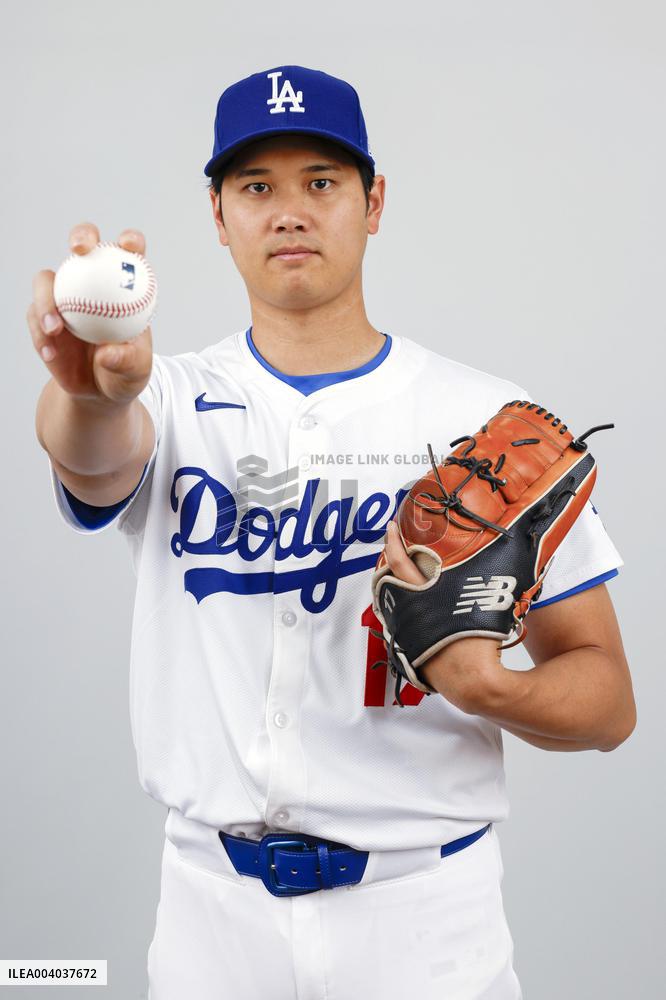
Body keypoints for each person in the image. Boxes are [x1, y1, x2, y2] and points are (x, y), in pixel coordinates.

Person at [29, 65, 636, 999]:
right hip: (210, 924)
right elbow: (92, 455)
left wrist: (488, 685)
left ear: (373, 200)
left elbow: (608, 701)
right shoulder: (167, 399)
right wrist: (84, 390)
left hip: (426, 922)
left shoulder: (486, 420)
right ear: (218, 215)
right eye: (256, 187)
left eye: (321, 181)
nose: (289, 212)